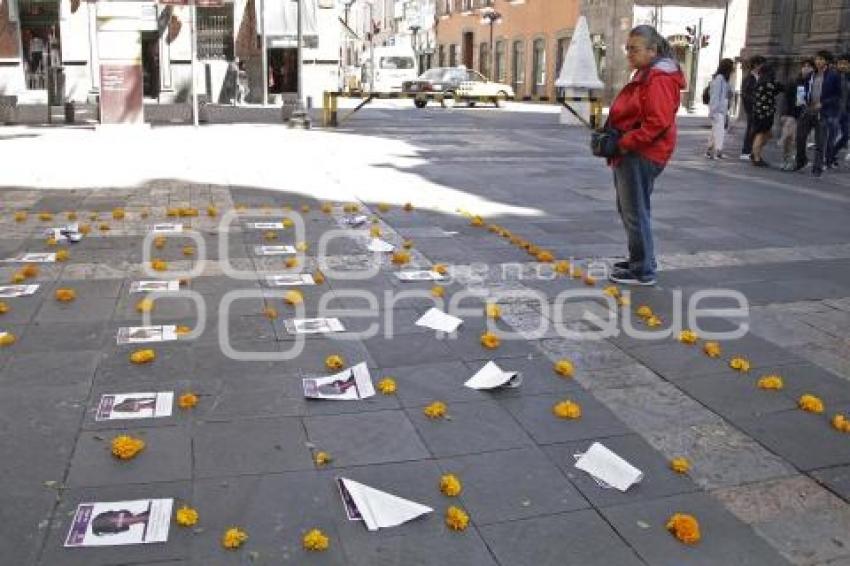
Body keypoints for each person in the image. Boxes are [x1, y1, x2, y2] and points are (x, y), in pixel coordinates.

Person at [605, 25, 685, 286]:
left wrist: (625, 143)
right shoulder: (649, 72)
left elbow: (657, 122)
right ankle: (641, 259)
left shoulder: (658, 78)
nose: (629, 53)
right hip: (636, 149)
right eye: (627, 48)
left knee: (635, 210)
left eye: (634, 49)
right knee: (632, 208)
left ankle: (643, 270)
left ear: (652, 50)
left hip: (642, 152)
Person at [793, 50, 843, 177]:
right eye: (817, 59)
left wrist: (824, 103)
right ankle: (801, 161)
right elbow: (802, 88)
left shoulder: (834, 75)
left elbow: (838, 96)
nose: (818, 61)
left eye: (821, 59)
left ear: (827, 61)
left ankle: (817, 168)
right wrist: (802, 99)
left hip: (823, 112)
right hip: (808, 110)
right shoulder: (811, 75)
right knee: (800, 137)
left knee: (820, 142)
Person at [778, 59, 814, 170]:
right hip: (791, 114)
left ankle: (795, 161)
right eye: (805, 66)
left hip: (804, 115)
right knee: (788, 139)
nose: (806, 68)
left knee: (796, 140)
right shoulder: (794, 81)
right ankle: (786, 160)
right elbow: (786, 99)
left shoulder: (811, 83)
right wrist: (784, 114)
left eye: (809, 66)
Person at [750, 64, 782, 167]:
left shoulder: (760, 82)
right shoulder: (767, 83)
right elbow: (778, 88)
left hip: (761, 112)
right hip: (764, 114)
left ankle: (755, 153)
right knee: (761, 134)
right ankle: (756, 157)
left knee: (767, 134)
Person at [706, 58, 734, 159]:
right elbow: (715, 96)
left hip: (721, 109)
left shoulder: (723, 79)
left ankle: (709, 150)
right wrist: (714, 110)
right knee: (720, 131)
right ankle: (718, 151)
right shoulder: (719, 79)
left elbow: (728, 93)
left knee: (715, 130)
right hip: (718, 109)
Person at [740, 55, 766, 160]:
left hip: (760, 108)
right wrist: (753, 102)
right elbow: (745, 94)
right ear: (756, 65)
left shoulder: (761, 77)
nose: (763, 67)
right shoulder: (749, 78)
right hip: (752, 108)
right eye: (761, 64)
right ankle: (746, 151)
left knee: (756, 130)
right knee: (751, 129)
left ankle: (753, 151)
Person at [827, 53, 849, 165]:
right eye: (841, 63)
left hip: (846, 111)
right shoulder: (832, 76)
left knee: (846, 135)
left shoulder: (848, 77)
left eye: (846, 63)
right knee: (832, 135)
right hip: (834, 111)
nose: (843, 66)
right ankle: (828, 158)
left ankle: (832, 154)